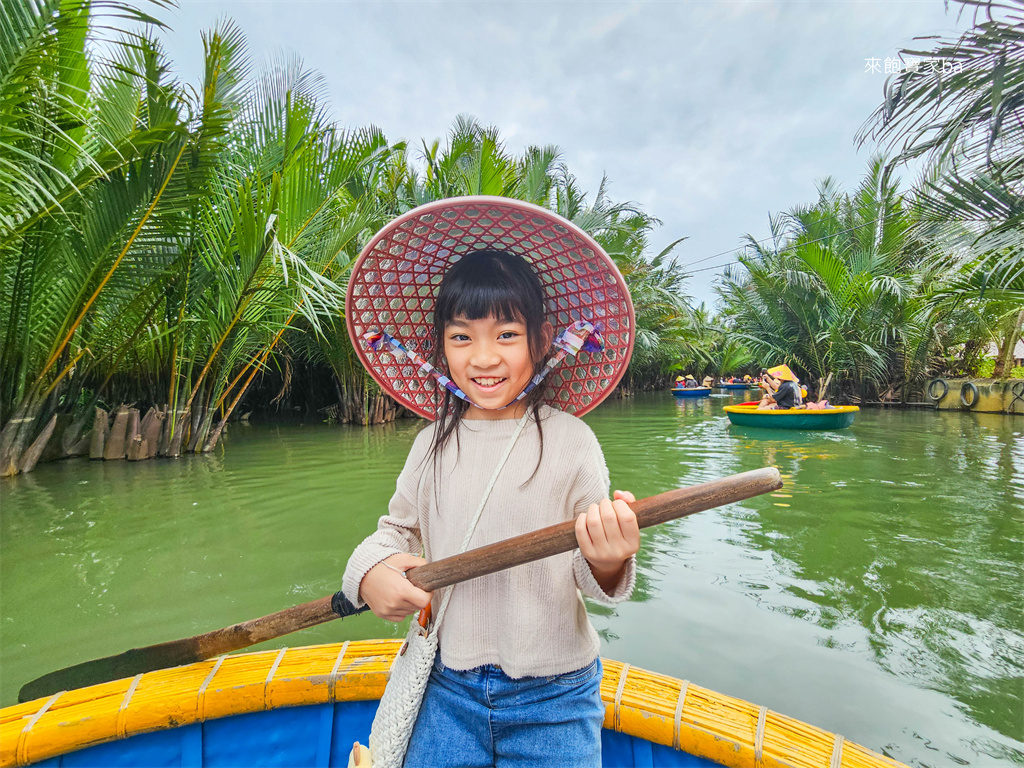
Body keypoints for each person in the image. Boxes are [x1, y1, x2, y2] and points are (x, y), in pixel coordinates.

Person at [341, 198, 640, 768]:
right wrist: (369, 572)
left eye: (506, 334)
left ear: (541, 340)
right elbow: (395, 533)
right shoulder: (430, 443)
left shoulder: (572, 440)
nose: (484, 358)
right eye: (462, 337)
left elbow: (588, 570)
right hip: (446, 688)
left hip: (556, 697)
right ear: (440, 346)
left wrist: (609, 557)